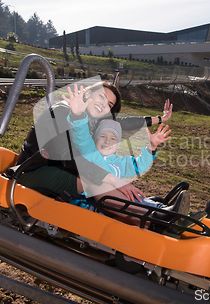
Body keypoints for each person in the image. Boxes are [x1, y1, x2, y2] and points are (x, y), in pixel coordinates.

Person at [17, 80, 190, 226]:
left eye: (109, 104)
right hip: (35, 170)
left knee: (101, 178)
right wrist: (113, 179)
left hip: (64, 169)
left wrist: (161, 119)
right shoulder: (61, 111)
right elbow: (69, 156)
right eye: (101, 96)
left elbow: (125, 123)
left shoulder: (91, 118)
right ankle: (154, 218)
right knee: (96, 182)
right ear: (87, 94)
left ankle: (152, 211)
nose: (103, 104)